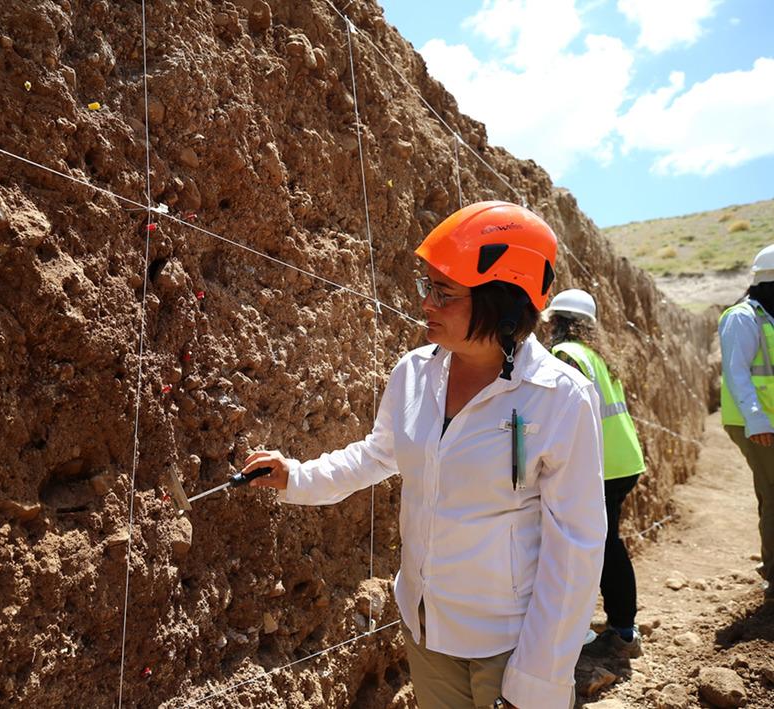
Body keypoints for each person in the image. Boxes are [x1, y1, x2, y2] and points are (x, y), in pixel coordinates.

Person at [243, 201, 606, 709]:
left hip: (511, 644)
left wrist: (536, 681)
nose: (426, 303)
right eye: (426, 287)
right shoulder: (414, 373)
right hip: (426, 627)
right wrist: (296, 477)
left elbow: (576, 547)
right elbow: (379, 454)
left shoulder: (560, 397)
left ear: (502, 301)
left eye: (444, 292)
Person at [545, 289, 646, 658]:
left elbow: (561, 413)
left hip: (602, 465)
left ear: (557, 322)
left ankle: (618, 630)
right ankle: (622, 627)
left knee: (595, 546)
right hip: (623, 462)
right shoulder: (597, 356)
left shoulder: (565, 356)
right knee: (605, 543)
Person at [718, 243, 774, 607]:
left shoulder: (766, 316)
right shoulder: (742, 317)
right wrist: (757, 419)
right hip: (754, 423)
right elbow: (737, 372)